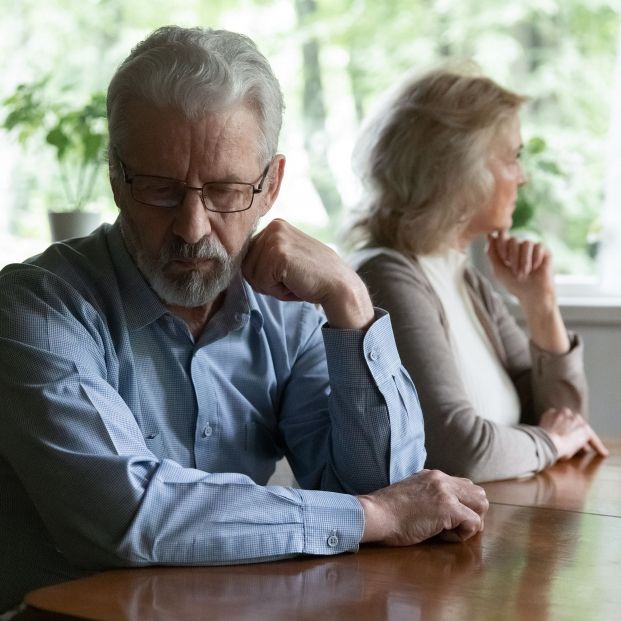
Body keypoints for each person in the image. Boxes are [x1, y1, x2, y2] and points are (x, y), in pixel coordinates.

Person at [0, 28, 489, 611]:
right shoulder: (37, 310)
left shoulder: (288, 308)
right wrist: (371, 517)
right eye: (160, 190)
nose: (192, 227)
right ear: (115, 177)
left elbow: (385, 484)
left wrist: (351, 304)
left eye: (226, 191)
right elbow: (126, 515)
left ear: (270, 186)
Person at [347, 66, 608, 484]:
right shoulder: (388, 276)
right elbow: (459, 450)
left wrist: (540, 305)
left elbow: (565, 419)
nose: (522, 176)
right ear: (460, 169)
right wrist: (551, 444)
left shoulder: (461, 276)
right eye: (512, 158)